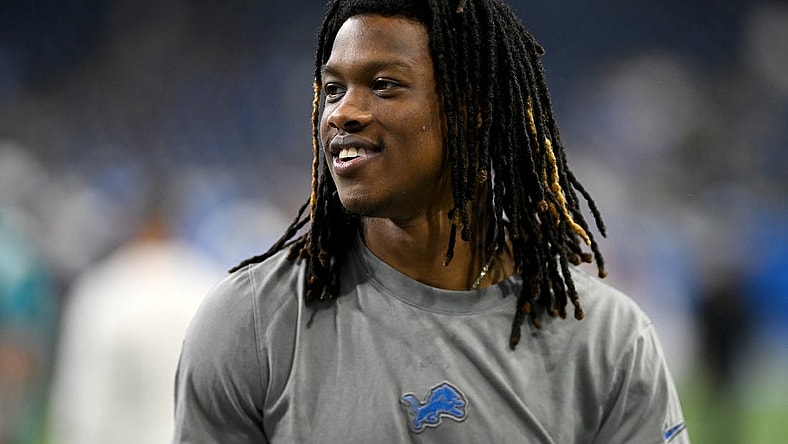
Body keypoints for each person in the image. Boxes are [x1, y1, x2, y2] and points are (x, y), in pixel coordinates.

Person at [173, 0, 690, 442]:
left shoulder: (605, 340)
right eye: (333, 89)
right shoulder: (252, 324)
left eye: (383, 85)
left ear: (473, 111)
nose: (342, 113)